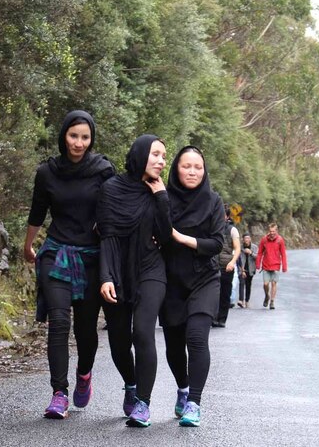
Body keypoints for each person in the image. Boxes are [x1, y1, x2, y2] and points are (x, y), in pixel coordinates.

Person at [24, 110, 136, 420]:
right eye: (74, 136)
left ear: (91, 139)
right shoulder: (47, 172)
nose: (79, 142)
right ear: (64, 136)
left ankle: (84, 373)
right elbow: (37, 211)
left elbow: (117, 208)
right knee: (59, 322)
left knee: (86, 331)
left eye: (85, 137)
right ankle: (59, 393)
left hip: (91, 257)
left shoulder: (103, 171)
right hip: (57, 253)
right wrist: (28, 245)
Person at [98, 134, 172, 428]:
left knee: (143, 332)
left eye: (164, 156)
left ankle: (143, 403)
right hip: (117, 269)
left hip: (151, 269)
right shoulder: (110, 190)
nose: (161, 161)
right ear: (140, 154)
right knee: (118, 340)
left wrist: (162, 197)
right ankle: (130, 384)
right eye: (156, 154)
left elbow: (166, 236)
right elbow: (105, 235)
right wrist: (105, 276)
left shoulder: (159, 190)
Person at [160, 146, 225, 427]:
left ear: (204, 170)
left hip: (204, 278)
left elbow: (217, 244)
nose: (192, 171)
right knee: (174, 346)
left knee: (197, 338)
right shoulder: (163, 199)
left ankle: (194, 403)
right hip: (172, 280)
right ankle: (183, 388)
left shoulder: (213, 201)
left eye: (198, 167)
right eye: (186, 166)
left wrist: (181, 238)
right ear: (176, 168)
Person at [212, 207, 240, 327]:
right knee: (212, 293)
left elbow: (238, 248)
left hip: (226, 265)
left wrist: (232, 262)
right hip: (213, 265)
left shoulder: (232, 230)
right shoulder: (211, 227)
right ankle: (213, 318)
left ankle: (222, 319)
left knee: (225, 293)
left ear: (227, 217)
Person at [256, 223, 287, 309]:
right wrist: (258, 264)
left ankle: (272, 301)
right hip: (266, 265)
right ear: (268, 231)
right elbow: (260, 253)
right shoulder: (264, 240)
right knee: (265, 284)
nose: (272, 233)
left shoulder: (280, 240)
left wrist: (284, 266)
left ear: (276, 231)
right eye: (270, 231)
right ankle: (267, 296)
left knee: (274, 283)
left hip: (276, 265)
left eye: (273, 231)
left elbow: (283, 254)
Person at [238, 232, 258, 308]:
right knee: (242, 283)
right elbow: (238, 259)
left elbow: (257, 257)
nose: (247, 240)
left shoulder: (254, 247)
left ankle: (247, 301)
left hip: (250, 269)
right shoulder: (240, 247)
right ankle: (241, 300)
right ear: (243, 239)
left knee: (248, 285)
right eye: (245, 238)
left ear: (250, 239)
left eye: (248, 238)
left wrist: (251, 253)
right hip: (242, 268)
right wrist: (242, 270)